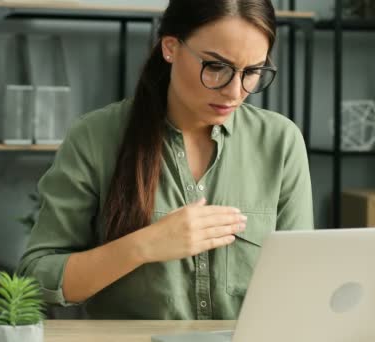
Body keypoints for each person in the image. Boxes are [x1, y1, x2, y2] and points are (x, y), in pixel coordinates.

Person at [18, 0, 313, 320]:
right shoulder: (95, 137)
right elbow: (37, 277)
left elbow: (301, 281)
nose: (234, 91)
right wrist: (143, 246)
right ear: (170, 47)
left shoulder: (281, 142)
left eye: (252, 72)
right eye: (216, 67)